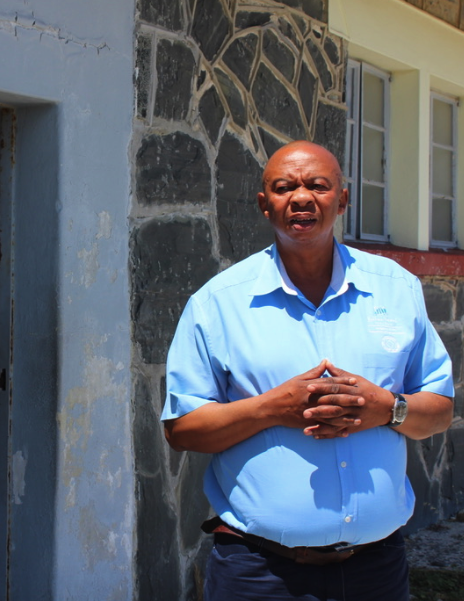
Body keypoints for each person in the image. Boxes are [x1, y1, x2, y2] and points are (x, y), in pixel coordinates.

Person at [161, 140, 454, 601]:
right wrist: (272, 409)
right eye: (284, 187)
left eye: (317, 185)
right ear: (264, 205)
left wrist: (386, 409)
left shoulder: (397, 290)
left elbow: (438, 411)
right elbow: (182, 430)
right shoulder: (217, 304)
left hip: (376, 570)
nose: (300, 197)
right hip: (259, 573)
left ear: (342, 199)